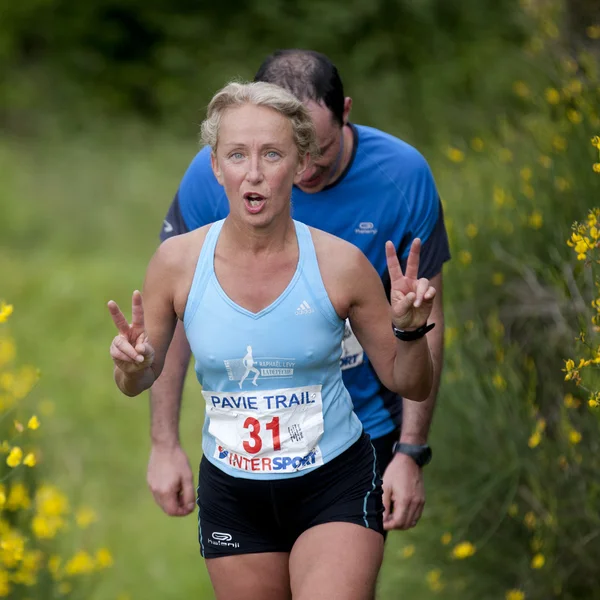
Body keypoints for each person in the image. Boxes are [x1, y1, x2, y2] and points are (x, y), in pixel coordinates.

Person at [108, 81, 436, 599]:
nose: (254, 172)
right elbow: (140, 379)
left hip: (334, 482)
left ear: (300, 165)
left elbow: (408, 382)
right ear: (216, 167)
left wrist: (411, 329)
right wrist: (130, 367)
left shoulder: (341, 265)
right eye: (237, 155)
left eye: (272, 154)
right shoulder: (176, 264)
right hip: (234, 492)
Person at [152, 49, 450, 532]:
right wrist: (165, 443)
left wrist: (410, 451)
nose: (304, 172)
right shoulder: (217, 179)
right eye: (283, 150)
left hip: (363, 427)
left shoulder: (403, 176)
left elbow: (423, 320)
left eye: (319, 150)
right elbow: (177, 316)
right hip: (245, 453)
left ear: (346, 113)